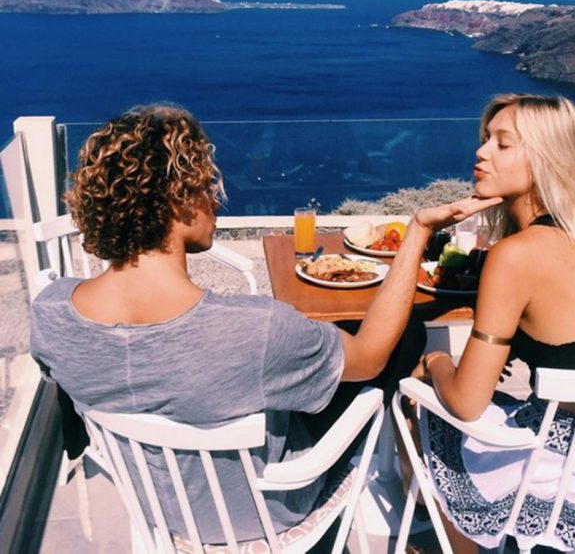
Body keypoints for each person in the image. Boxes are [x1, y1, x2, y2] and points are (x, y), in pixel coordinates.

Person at [30, 103, 499, 546]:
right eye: (205, 184)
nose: (215, 198)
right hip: (265, 514)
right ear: (177, 201)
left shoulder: (50, 313)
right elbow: (373, 353)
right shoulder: (258, 331)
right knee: (405, 339)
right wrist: (417, 230)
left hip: (156, 507)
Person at [412, 94, 575, 553]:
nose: (481, 152)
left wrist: (436, 361)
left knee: (417, 402)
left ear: (546, 159)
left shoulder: (517, 255)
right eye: (486, 140)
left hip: (555, 474)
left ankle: (454, 543)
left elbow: (465, 403)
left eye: (503, 144)